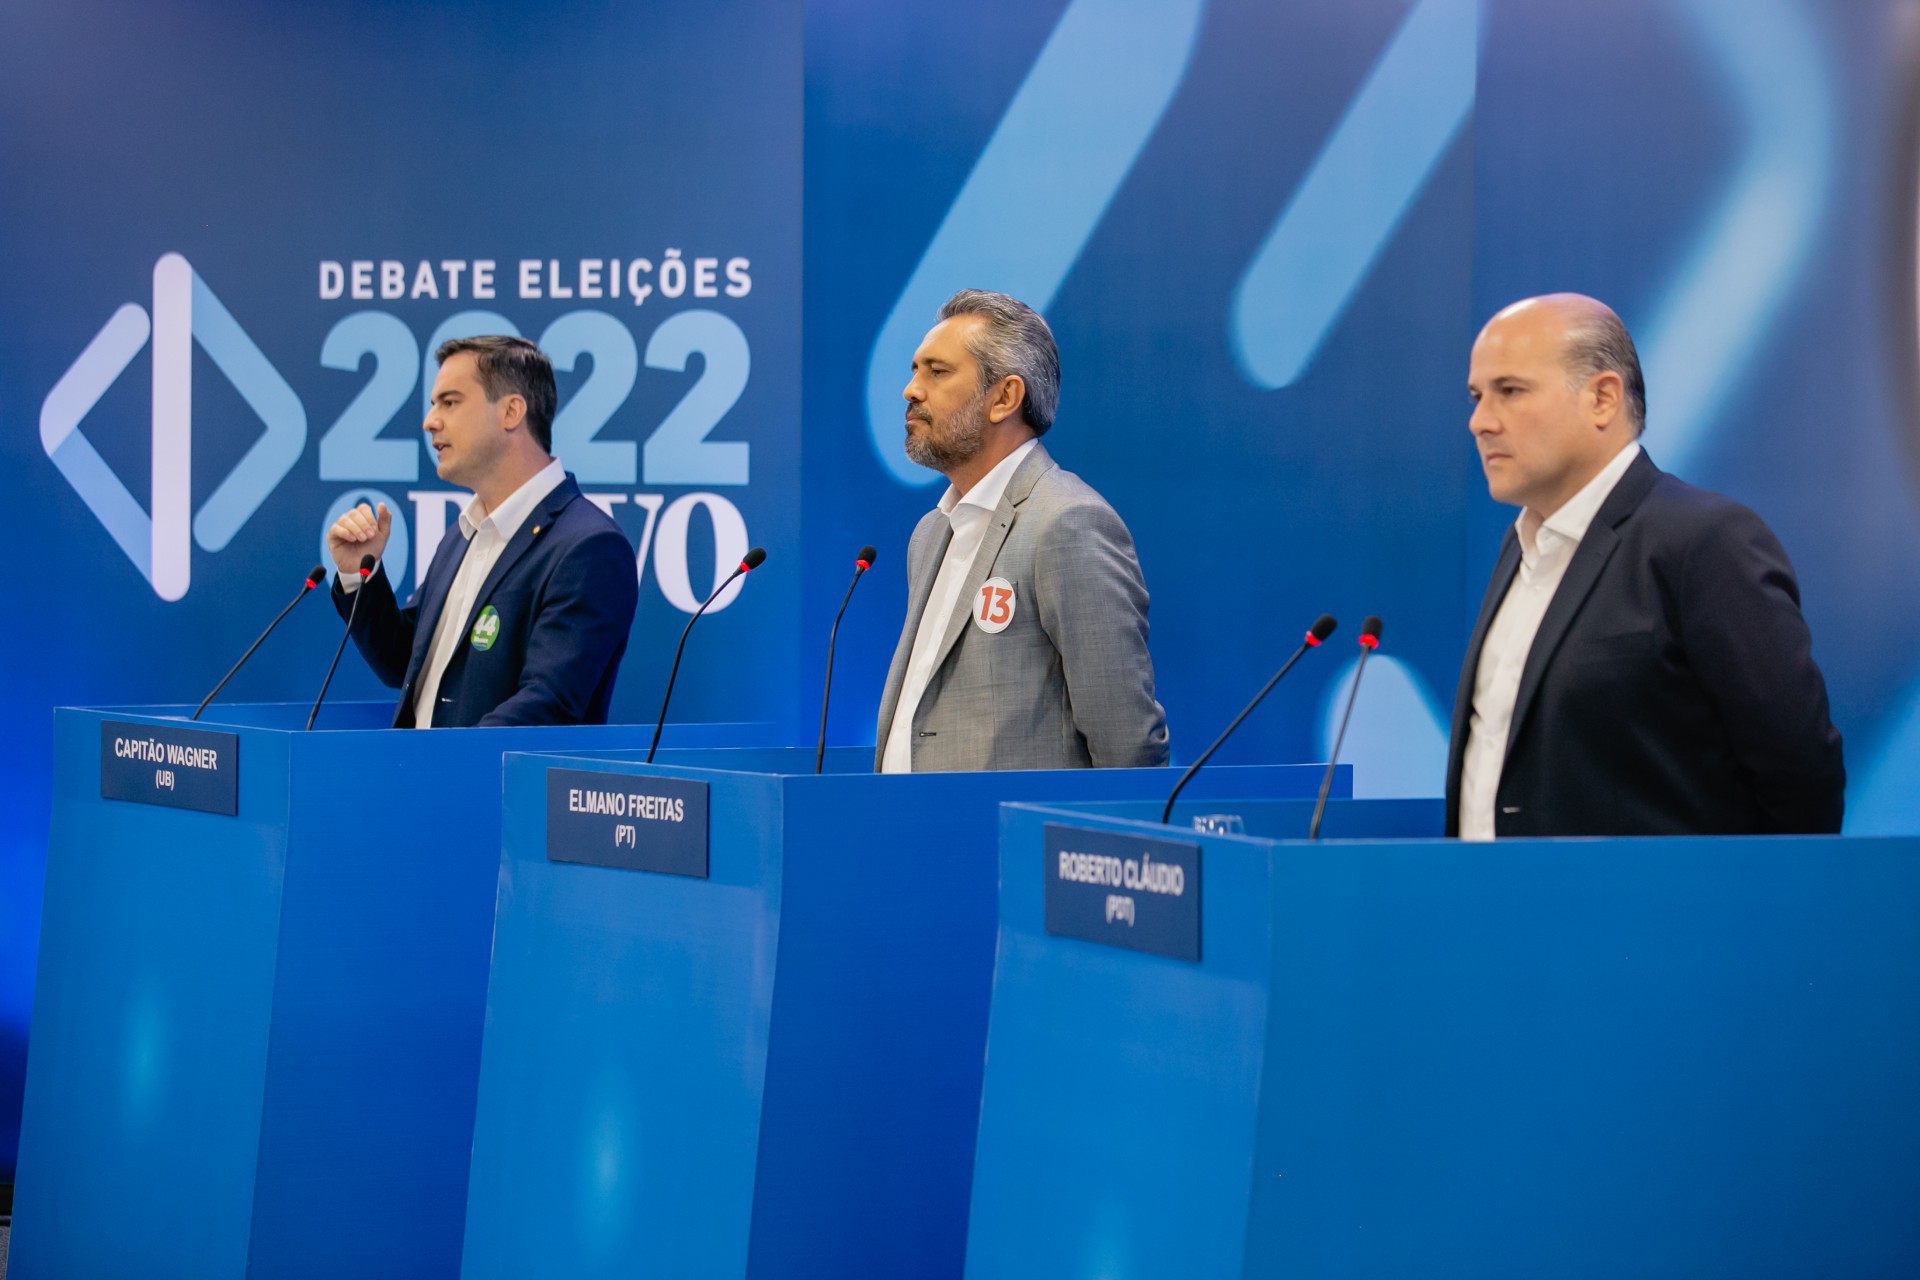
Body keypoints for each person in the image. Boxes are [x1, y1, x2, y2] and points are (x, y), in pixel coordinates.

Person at [1445, 293, 1844, 837]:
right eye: (1476, 396)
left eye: (1510, 391)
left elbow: (1799, 780)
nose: (1480, 422)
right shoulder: (1519, 545)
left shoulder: (1703, 542)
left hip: (1653, 917)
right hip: (1491, 910)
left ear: (1603, 398)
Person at [875, 289, 1169, 772]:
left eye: (937, 371)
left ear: (1005, 397)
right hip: (915, 835)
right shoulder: (930, 533)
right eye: (914, 370)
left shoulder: (1067, 522)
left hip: (1015, 844)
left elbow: (1127, 745)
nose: (911, 389)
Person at [326, 335, 638, 727]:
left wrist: (444, 769)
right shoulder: (462, 534)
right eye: (433, 404)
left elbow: (548, 705)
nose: (429, 421)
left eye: (450, 402)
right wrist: (359, 575)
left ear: (511, 412)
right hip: (427, 782)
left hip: (490, 786)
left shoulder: (588, 546)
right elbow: (405, 663)